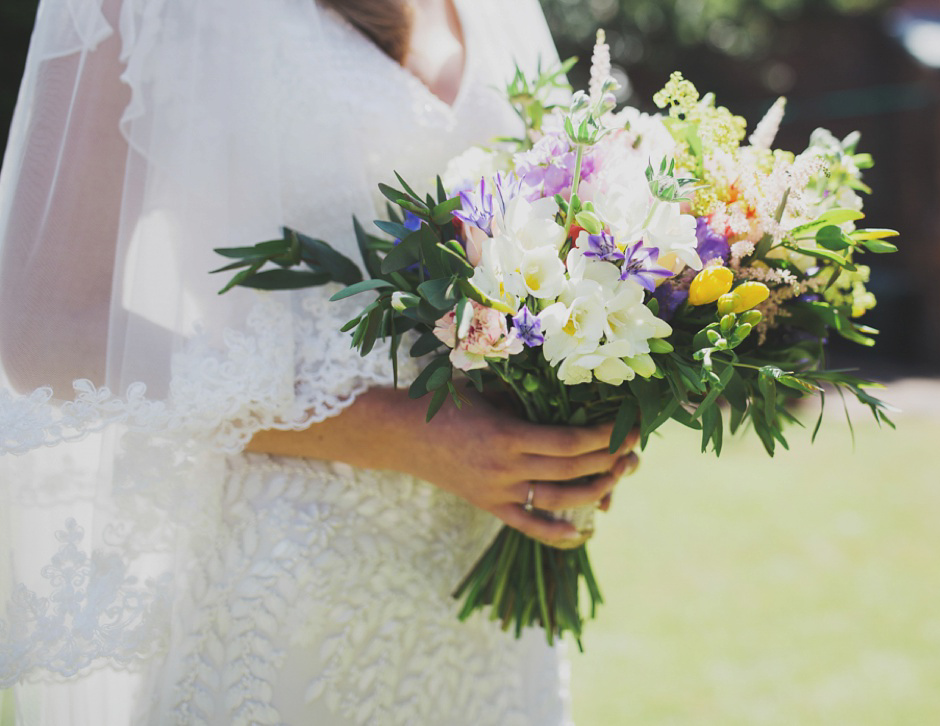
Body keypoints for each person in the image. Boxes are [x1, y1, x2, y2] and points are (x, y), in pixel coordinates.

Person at [0, 0, 639, 723]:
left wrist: (583, 389)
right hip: (287, 604)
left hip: (481, 587)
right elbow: (45, 330)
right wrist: (403, 432)